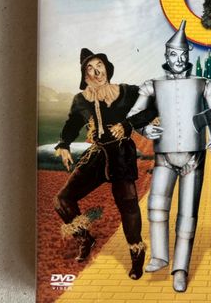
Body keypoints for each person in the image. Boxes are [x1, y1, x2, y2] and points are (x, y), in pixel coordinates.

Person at [127, 20, 211, 292]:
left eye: (182, 54)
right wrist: (144, 128)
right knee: (156, 207)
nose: (178, 59)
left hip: (194, 158)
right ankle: (159, 256)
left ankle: (180, 269)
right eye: (173, 54)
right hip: (163, 157)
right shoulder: (152, 85)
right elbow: (133, 115)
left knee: (187, 216)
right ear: (166, 55)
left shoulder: (205, 84)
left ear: (188, 56)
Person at [54, 48, 157, 280]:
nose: (96, 71)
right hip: (97, 154)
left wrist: (128, 124)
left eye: (99, 65)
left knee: (128, 204)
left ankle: (136, 252)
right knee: (61, 200)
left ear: (107, 68)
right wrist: (64, 144)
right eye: (90, 69)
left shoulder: (127, 91)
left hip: (121, 152)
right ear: (85, 76)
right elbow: (72, 124)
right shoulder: (81, 100)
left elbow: (153, 106)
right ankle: (85, 238)